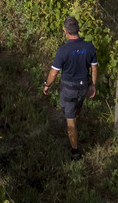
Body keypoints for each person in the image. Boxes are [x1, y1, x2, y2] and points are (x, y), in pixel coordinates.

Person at [42, 15, 98, 160]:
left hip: (68, 89)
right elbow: (94, 68)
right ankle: (74, 120)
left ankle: (75, 151)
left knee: (70, 120)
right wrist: (93, 85)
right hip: (83, 86)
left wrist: (47, 85)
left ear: (65, 31)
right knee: (77, 107)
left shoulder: (63, 50)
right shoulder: (89, 47)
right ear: (78, 30)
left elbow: (54, 73)